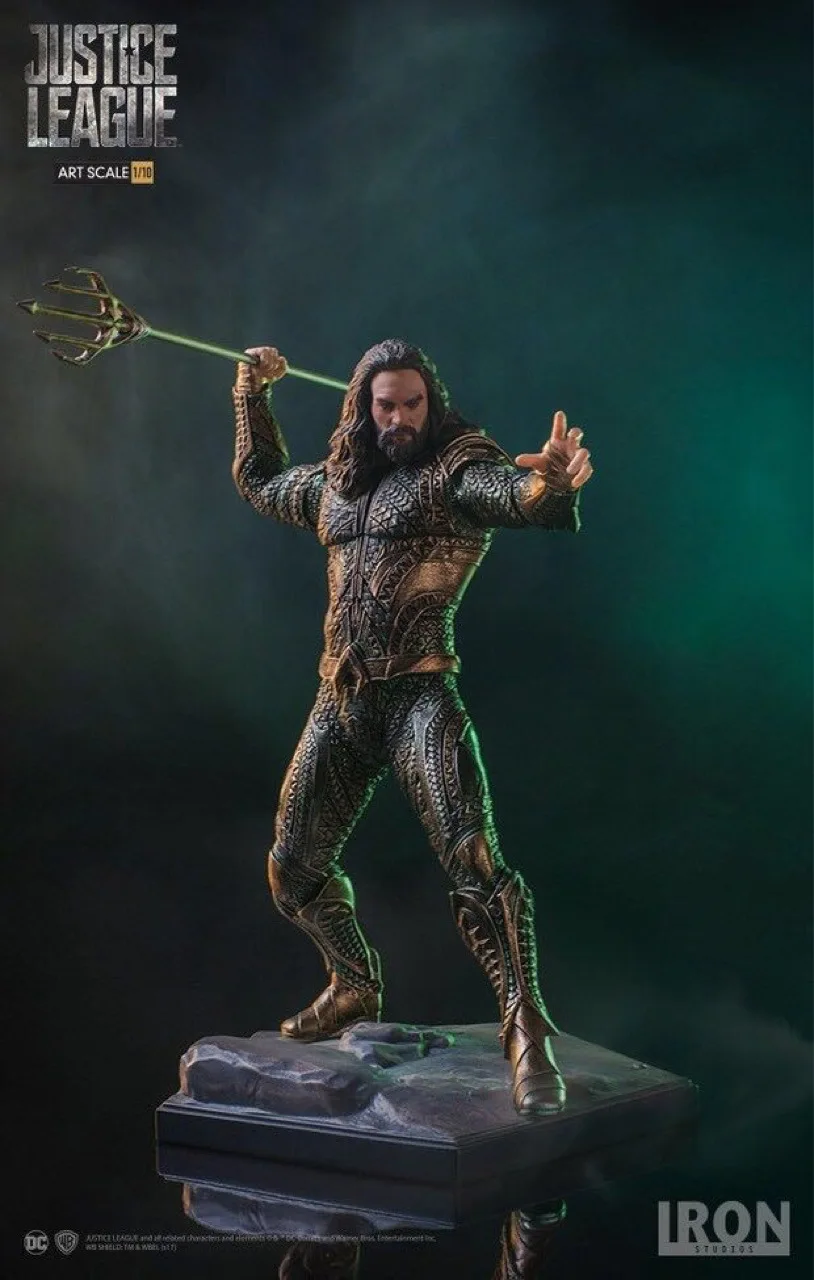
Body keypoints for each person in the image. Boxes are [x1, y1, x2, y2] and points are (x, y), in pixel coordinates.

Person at [231, 339, 593, 1115]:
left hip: (419, 697)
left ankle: (525, 1027)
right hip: (342, 700)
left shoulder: (452, 471)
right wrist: (251, 395)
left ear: (432, 404)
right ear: (364, 407)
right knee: (292, 871)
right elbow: (260, 480)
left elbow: (515, 496)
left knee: (476, 865)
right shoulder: (334, 485)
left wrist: (551, 483)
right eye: (386, 405)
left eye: (412, 404)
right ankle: (353, 982)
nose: (398, 418)